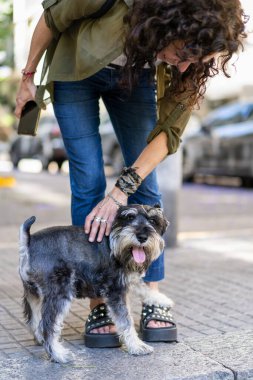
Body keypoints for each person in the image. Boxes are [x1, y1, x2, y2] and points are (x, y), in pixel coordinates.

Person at [15, 0, 247, 348]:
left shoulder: (191, 64)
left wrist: (122, 189)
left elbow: (166, 136)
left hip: (133, 75)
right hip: (75, 70)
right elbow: (52, 17)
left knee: (146, 188)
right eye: (183, 51)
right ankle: (99, 302)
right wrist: (28, 77)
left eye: (196, 61)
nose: (184, 65)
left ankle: (150, 294)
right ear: (168, 24)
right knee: (88, 183)